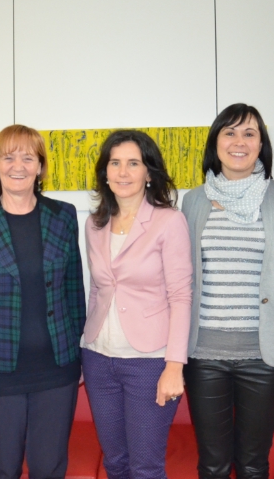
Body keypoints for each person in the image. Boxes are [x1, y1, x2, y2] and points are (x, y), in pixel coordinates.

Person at [181, 103, 274, 479]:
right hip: (204, 356)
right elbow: (182, 283)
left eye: (249, 133)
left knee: (254, 464)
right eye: (229, 132)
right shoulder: (193, 201)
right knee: (212, 464)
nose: (238, 141)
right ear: (216, 143)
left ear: (261, 145)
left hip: (265, 358)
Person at [0, 124, 85, 479]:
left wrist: (80, 355)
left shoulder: (63, 215)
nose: (18, 166)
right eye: (8, 157)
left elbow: (74, 291)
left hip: (57, 371)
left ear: (40, 167)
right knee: (3, 470)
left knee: (49, 469)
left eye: (28, 158)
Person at [82, 130, 192, 479]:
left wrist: (174, 365)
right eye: (115, 163)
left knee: (145, 467)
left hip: (149, 363)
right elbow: (98, 290)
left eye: (133, 163)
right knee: (115, 462)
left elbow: (181, 296)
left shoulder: (169, 221)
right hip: (98, 360)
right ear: (105, 172)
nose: (123, 172)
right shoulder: (94, 224)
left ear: (148, 172)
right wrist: (85, 342)